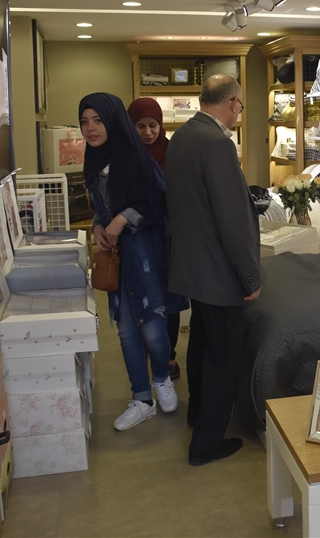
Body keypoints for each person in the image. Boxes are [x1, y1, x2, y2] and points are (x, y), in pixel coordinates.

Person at [165, 74, 261, 466]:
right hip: (218, 271)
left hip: (192, 266)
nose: (238, 113)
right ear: (234, 102)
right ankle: (206, 443)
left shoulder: (182, 136)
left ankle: (197, 414)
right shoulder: (218, 143)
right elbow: (232, 220)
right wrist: (250, 276)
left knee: (201, 345)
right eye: (240, 106)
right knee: (223, 357)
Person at [79, 93, 188, 431]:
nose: (91, 128)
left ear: (113, 121)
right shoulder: (94, 160)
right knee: (127, 332)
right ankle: (142, 399)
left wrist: (123, 219)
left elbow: (159, 203)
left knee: (154, 330)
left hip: (146, 257)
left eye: (98, 120)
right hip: (118, 259)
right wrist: (98, 225)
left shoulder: (136, 158)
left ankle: (161, 379)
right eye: (85, 122)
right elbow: (101, 207)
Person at [128, 97, 182, 381]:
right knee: (143, 296)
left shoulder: (174, 153)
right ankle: (147, 350)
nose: (148, 132)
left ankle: (169, 354)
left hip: (168, 236)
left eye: (153, 125)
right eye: (141, 126)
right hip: (136, 237)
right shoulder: (126, 155)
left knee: (169, 297)